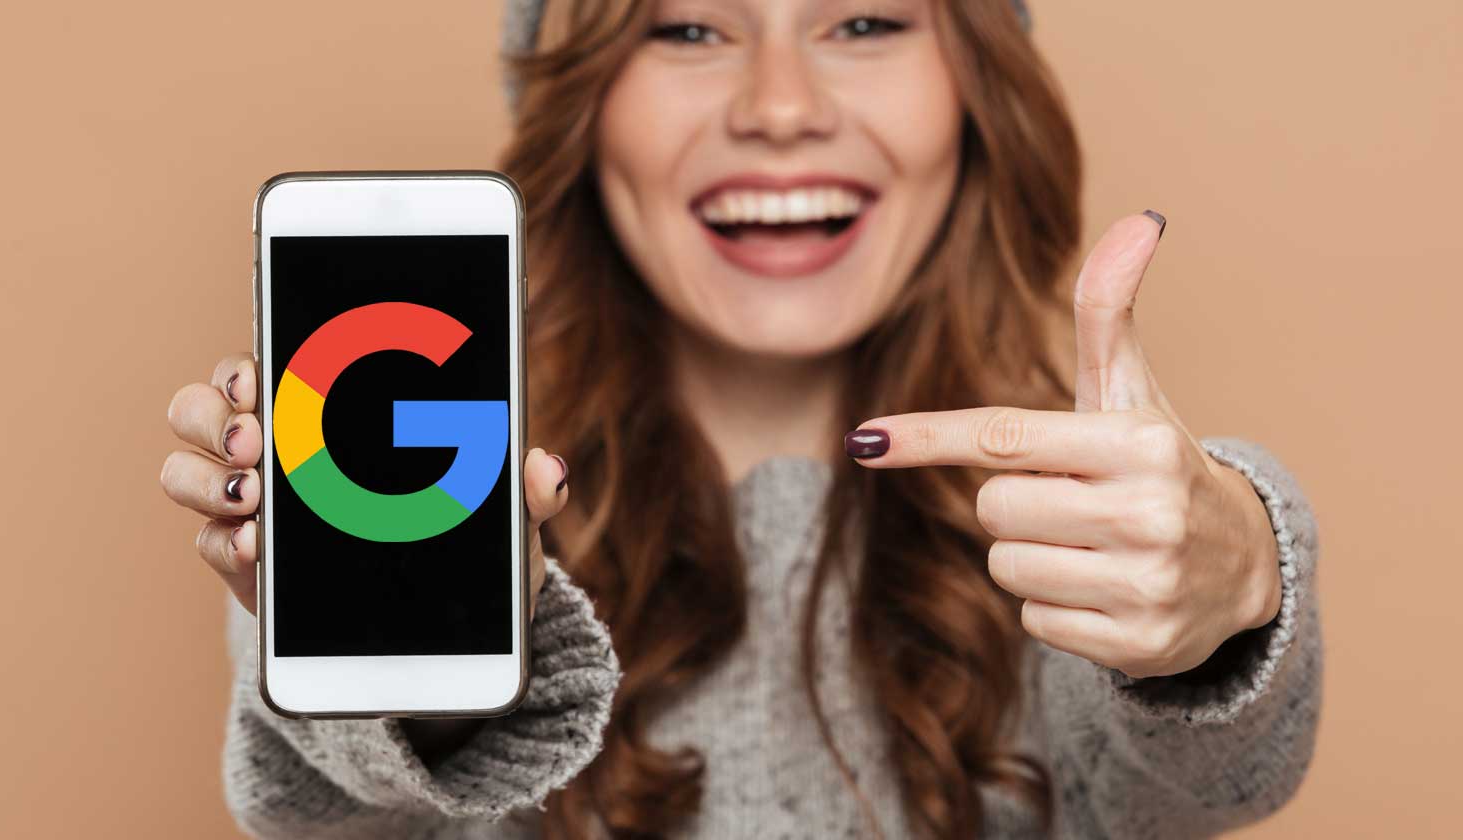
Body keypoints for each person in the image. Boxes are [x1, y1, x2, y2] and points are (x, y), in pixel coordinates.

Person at [159, 1, 1322, 837]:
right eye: (687, 27)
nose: (779, 108)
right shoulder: (416, 500)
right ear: (581, 100)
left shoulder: (1089, 525)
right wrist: (426, 680)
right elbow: (339, 821)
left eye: (864, 23)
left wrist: (1228, 598)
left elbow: (1199, 786)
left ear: (976, 79)